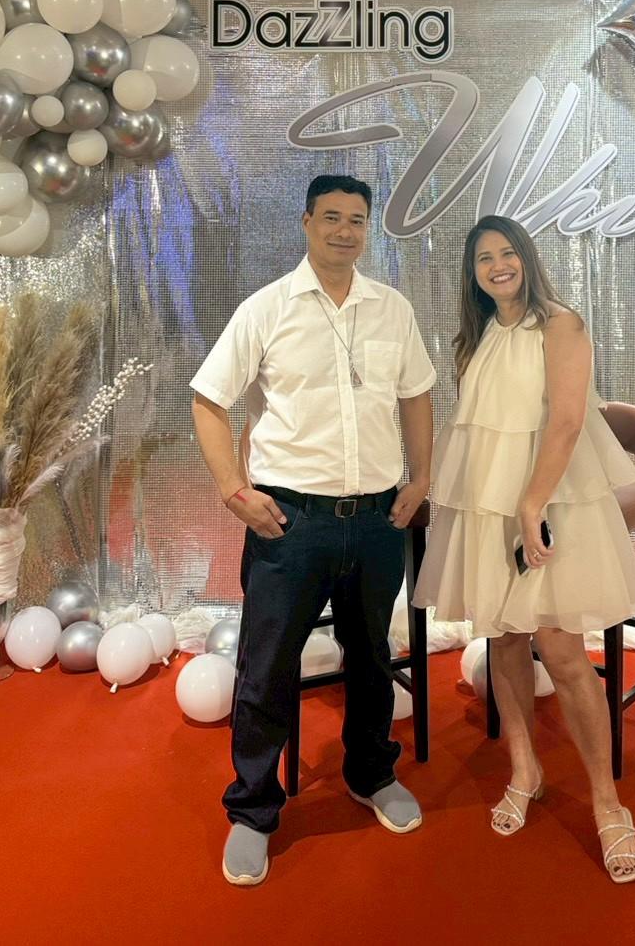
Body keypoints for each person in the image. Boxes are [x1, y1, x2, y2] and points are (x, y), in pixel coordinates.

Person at [191, 173, 436, 887]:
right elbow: (209, 399)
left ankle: (370, 773)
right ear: (305, 223)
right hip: (290, 522)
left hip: (377, 517)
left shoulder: (391, 308)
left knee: (372, 657)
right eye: (331, 217)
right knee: (266, 665)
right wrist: (233, 489)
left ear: (367, 229)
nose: (344, 231)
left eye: (356, 219)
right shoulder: (267, 308)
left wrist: (421, 477)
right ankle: (252, 809)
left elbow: (417, 394)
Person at [413, 214, 635, 882]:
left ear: (526, 256)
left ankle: (607, 802)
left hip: (550, 504)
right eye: (484, 257)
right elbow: (479, 438)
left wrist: (532, 504)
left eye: (507, 252)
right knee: (504, 637)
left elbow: (568, 421)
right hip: (491, 508)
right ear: (473, 273)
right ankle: (526, 768)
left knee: (564, 651)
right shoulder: (477, 338)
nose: (498, 265)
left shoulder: (561, 324)